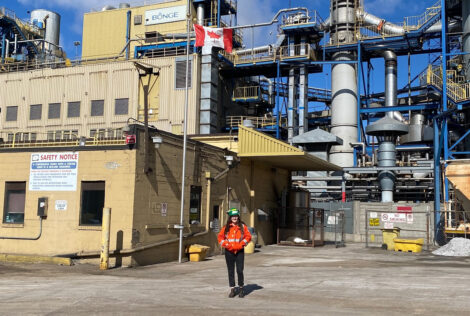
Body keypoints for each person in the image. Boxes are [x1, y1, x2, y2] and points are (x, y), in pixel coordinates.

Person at [218, 208, 252, 298]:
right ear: (230, 218)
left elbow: (248, 236)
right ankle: (232, 289)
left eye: (236, 216)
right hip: (229, 252)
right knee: (231, 270)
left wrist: (241, 244)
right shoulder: (226, 227)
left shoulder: (243, 227)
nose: (235, 218)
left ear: (238, 217)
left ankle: (241, 288)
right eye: (233, 216)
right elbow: (220, 238)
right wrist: (227, 245)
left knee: (240, 270)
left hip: (239, 251)